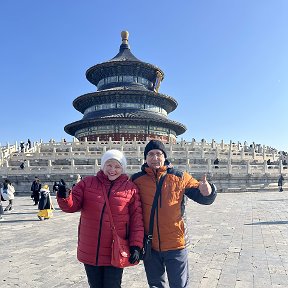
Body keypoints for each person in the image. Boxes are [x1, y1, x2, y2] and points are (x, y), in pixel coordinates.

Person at [131, 140, 217, 288]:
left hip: (176, 243)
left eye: (159, 154)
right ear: (145, 158)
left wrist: (208, 192)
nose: (155, 157)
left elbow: (202, 196)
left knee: (179, 285)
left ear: (165, 157)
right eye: (150, 154)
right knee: (155, 285)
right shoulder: (136, 180)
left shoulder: (180, 177)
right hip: (150, 245)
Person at [57, 149, 144, 288]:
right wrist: (65, 196)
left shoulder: (130, 188)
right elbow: (71, 206)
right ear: (103, 165)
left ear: (123, 168)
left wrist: (136, 245)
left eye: (117, 166)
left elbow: (137, 220)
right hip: (91, 249)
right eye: (109, 165)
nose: (112, 170)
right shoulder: (87, 183)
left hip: (114, 249)